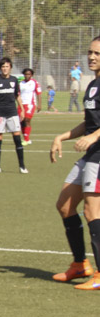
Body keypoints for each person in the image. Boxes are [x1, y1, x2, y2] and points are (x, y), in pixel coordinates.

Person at [49, 36, 100, 291]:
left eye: (97, 54)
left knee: (93, 211)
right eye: (90, 52)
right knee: (65, 205)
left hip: (99, 156)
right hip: (90, 155)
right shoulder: (92, 85)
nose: (91, 57)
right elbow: (89, 123)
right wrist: (62, 136)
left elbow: (95, 130)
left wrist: (94, 136)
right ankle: (80, 264)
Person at [0, 57, 26, 174]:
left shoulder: (14, 80)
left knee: (17, 139)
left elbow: (17, 96)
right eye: (3, 67)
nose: (5, 69)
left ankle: (22, 166)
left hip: (12, 113)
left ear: (10, 68)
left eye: (7, 66)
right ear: (0, 68)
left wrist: (22, 109)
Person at [18, 68, 41, 145]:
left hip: (30, 104)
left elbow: (39, 93)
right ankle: (26, 139)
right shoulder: (21, 83)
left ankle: (26, 139)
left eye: (29, 74)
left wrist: (39, 105)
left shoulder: (34, 82)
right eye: (26, 74)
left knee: (27, 120)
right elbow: (17, 94)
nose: (27, 75)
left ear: (31, 75)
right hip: (21, 105)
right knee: (21, 121)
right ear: (24, 75)